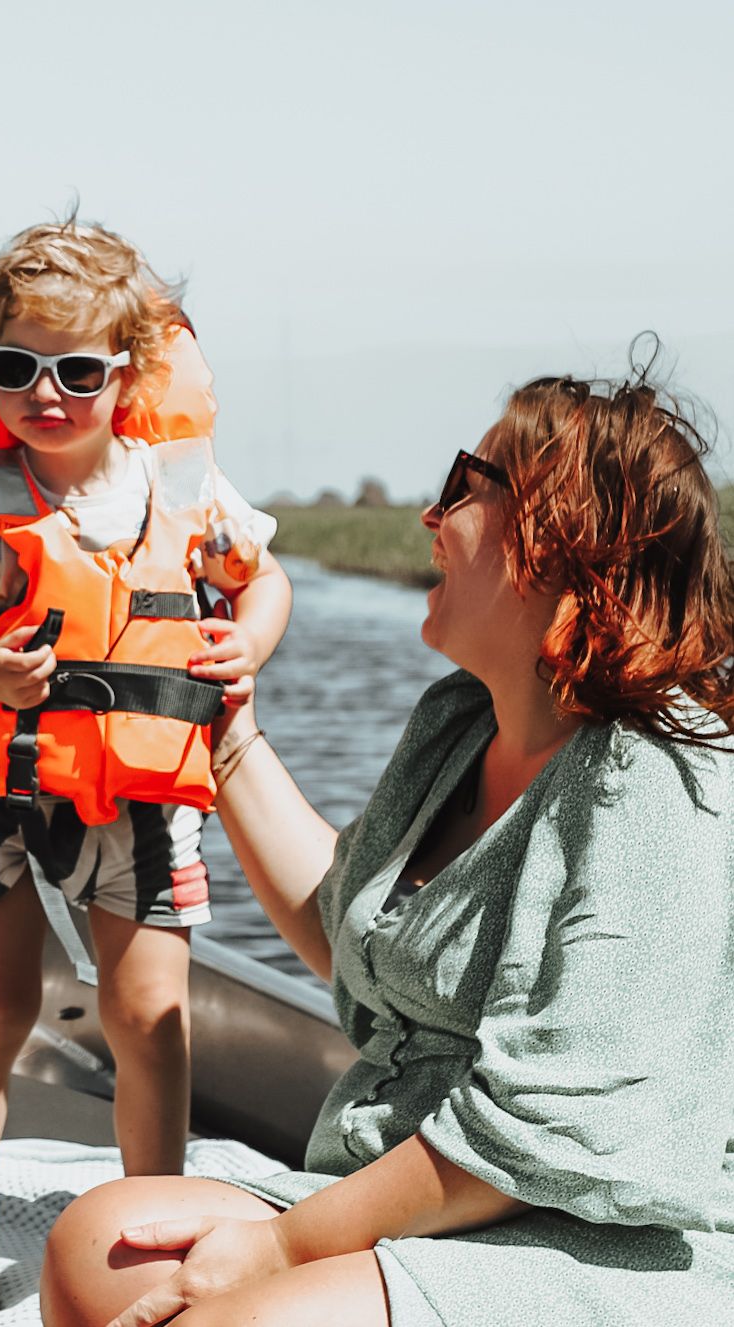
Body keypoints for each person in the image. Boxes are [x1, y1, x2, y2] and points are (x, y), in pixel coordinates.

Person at [41, 367, 734, 1327]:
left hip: (581, 1233)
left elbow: (558, 1126)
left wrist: (283, 1248)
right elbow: (352, 928)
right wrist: (221, 724)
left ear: (557, 537)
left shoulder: (662, 779)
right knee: (94, 1250)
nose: (427, 515)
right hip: (404, 1189)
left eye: (463, 486)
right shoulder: (459, 725)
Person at [0, 215, 292, 1312]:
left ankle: (152, 1221)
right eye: (14, 367)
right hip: (5, 791)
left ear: (124, 373)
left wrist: (247, 639)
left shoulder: (188, 496)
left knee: (149, 1014)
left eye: (76, 369)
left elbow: (264, 584)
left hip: (144, 800)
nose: (46, 392)